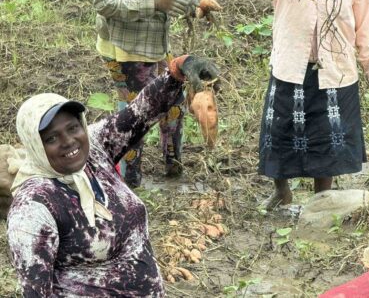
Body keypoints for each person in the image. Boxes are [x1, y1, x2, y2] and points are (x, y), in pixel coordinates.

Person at [7, 55, 219, 297]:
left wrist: (177, 71)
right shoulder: (34, 207)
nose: (68, 142)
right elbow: (35, 293)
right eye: (51, 138)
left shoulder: (94, 150)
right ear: (35, 145)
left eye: (73, 128)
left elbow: (139, 113)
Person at [87, 0, 219, 187]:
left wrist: (194, 6)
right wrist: (152, 5)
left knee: (173, 104)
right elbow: (104, 3)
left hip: (156, 44)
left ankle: (173, 166)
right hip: (125, 50)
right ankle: (128, 179)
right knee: (137, 114)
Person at [250, 0, 369, 209]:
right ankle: (282, 191)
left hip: (335, 67)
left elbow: (365, 25)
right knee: (280, 131)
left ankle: (322, 201)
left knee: (328, 140)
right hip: (292, 62)